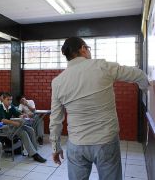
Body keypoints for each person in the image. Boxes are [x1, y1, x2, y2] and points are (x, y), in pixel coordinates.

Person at [49, 37, 150, 180]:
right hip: (105, 142)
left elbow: (55, 119)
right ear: (83, 49)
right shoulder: (102, 66)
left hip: (76, 144)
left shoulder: (57, 82)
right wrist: (147, 90)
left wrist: (55, 147)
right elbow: (138, 74)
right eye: (88, 49)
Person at [0, 92, 46, 163]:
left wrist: (22, 115)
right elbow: (3, 120)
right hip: (5, 128)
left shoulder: (11, 106)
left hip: (12, 126)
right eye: (8, 100)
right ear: (3, 100)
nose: (10, 101)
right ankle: (34, 155)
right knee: (23, 133)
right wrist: (14, 123)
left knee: (31, 130)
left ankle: (34, 151)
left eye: (11, 100)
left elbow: (17, 113)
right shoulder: (0, 108)